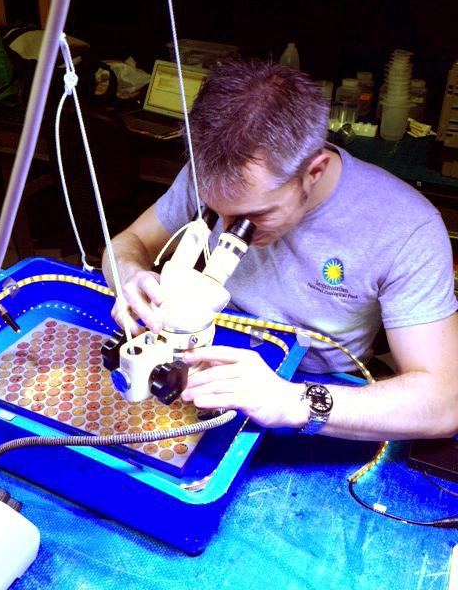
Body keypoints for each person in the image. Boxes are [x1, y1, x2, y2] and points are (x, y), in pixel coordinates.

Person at [103, 58, 458, 441]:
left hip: (316, 389)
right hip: (206, 360)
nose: (226, 233)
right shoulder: (213, 174)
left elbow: (443, 402)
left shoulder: (404, 227)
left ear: (314, 171)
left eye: (251, 216)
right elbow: (127, 243)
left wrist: (293, 401)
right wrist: (129, 275)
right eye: (214, 212)